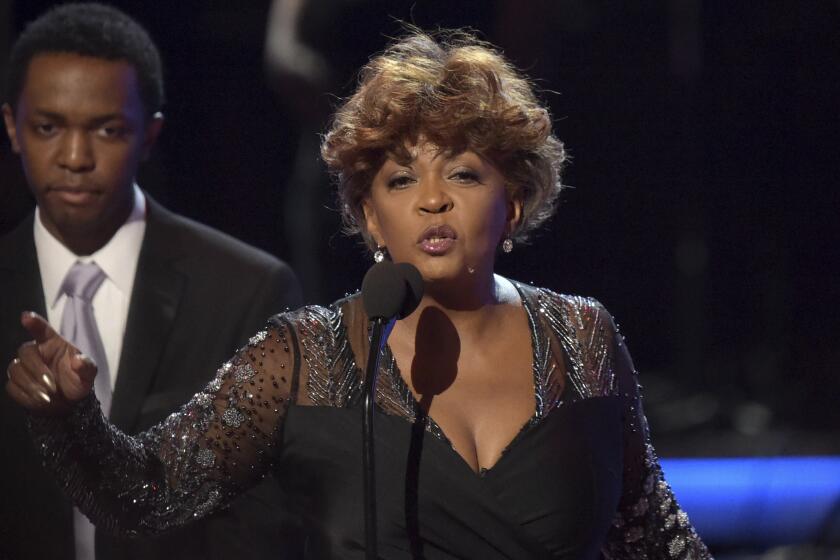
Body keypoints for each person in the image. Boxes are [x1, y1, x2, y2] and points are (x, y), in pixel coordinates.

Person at [6, 29, 711, 559]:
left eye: (463, 174)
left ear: (515, 200)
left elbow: (654, 536)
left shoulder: (582, 338)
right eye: (401, 180)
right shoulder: (300, 359)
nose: (433, 201)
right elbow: (149, 492)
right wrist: (71, 418)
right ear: (370, 214)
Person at [0, 4, 302, 560]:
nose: (74, 158)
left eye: (107, 130)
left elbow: (259, 522)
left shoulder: (246, 291)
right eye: (48, 127)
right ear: (11, 128)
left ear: (150, 134)